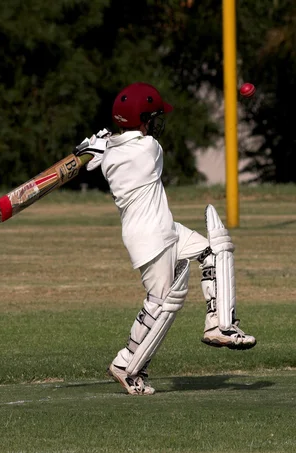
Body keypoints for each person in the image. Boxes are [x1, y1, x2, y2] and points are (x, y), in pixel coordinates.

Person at [74, 82, 256, 395]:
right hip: (149, 236)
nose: (156, 124)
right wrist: (106, 145)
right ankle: (126, 365)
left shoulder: (111, 154)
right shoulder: (148, 149)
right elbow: (133, 147)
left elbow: (108, 153)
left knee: (213, 249)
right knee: (161, 303)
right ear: (142, 121)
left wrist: (97, 146)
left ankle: (220, 325)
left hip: (163, 227)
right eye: (153, 118)